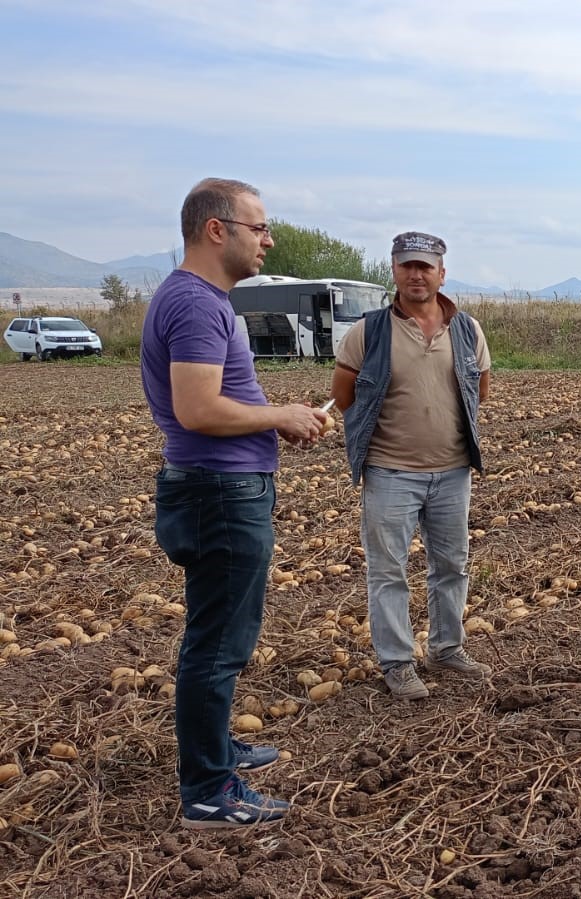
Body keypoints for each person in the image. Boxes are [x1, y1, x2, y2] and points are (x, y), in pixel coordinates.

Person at [141, 178, 330, 828]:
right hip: (220, 494)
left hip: (217, 488)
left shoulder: (198, 298)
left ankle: (215, 749)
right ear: (216, 229)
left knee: (216, 633)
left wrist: (278, 419)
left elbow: (210, 403)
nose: (268, 240)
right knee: (218, 643)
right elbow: (196, 408)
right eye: (260, 227)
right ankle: (206, 791)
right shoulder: (196, 304)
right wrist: (277, 412)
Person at [332, 232, 492, 701]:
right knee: (388, 571)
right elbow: (343, 395)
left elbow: (479, 391)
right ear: (395, 271)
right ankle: (398, 662)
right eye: (407, 266)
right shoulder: (369, 331)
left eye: (425, 266)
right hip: (390, 471)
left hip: (452, 471)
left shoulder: (468, 330)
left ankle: (447, 648)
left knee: (452, 565)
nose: (416, 274)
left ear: (442, 273)